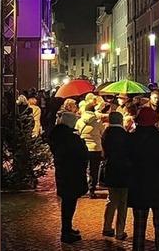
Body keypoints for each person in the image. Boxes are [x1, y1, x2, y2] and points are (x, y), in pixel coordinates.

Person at [126, 105, 159, 251]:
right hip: (158, 185)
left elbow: (126, 159)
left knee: (139, 226)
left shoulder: (131, 139)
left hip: (138, 185)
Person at [49, 112, 88, 244]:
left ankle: (67, 228)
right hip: (72, 174)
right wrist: (81, 143)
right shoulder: (70, 138)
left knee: (68, 203)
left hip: (64, 174)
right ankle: (66, 232)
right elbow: (81, 155)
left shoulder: (58, 136)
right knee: (69, 204)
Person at [101, 112, 130, 240]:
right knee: (123, 202)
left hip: (111, 168)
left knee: (111, 199)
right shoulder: (125, 135)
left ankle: (107, 227)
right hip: (124, 170)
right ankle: (120, 231)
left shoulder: (106, 133)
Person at [75, 102, 105, 198]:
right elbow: (102, 133)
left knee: (82, 168)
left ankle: (82, 188)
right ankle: (92, 190)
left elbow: (77, 133)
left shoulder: (79, 121)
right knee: (94, 170)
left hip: (83, 148)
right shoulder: (98, 122)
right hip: (96, 148)